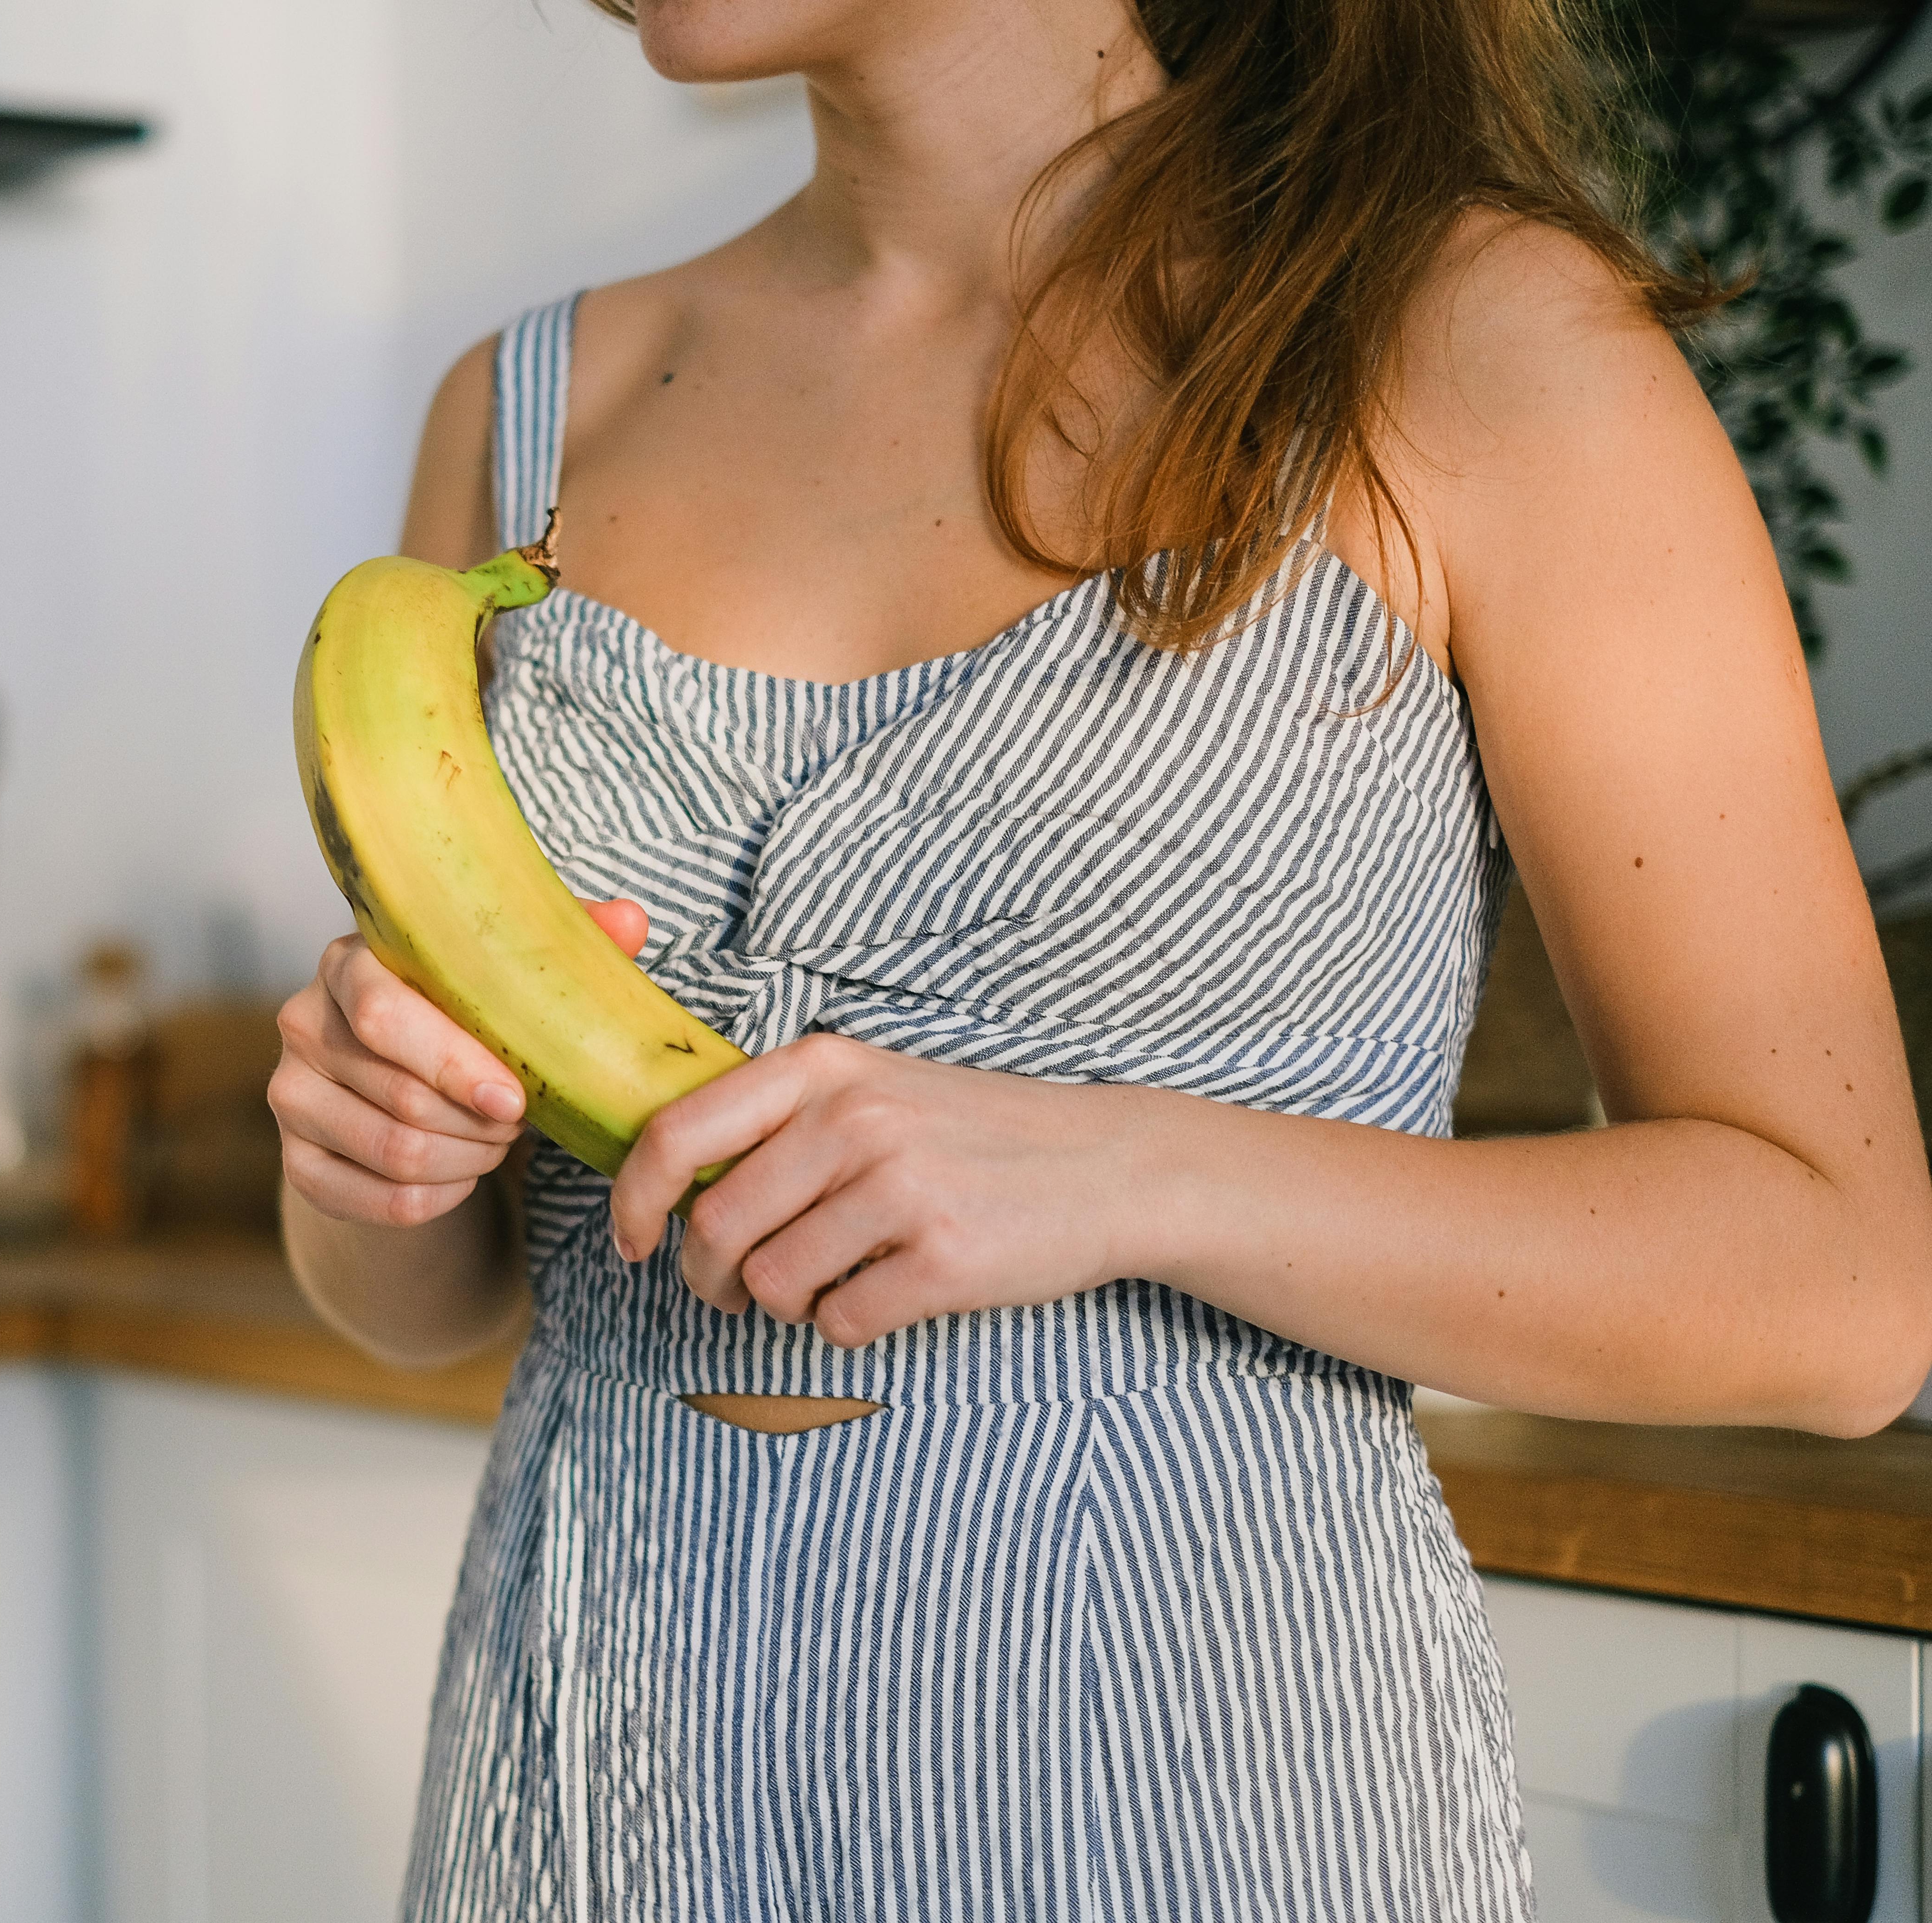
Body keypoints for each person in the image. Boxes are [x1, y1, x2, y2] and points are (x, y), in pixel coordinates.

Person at [266, 0, 1932, 1911]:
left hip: (1191, 1797)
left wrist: (1135, 1168)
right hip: (582, 1787)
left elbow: (1844, 1281)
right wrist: (370, 1161)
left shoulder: (1477, 350)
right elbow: (437, 1294)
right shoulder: (526, 415)